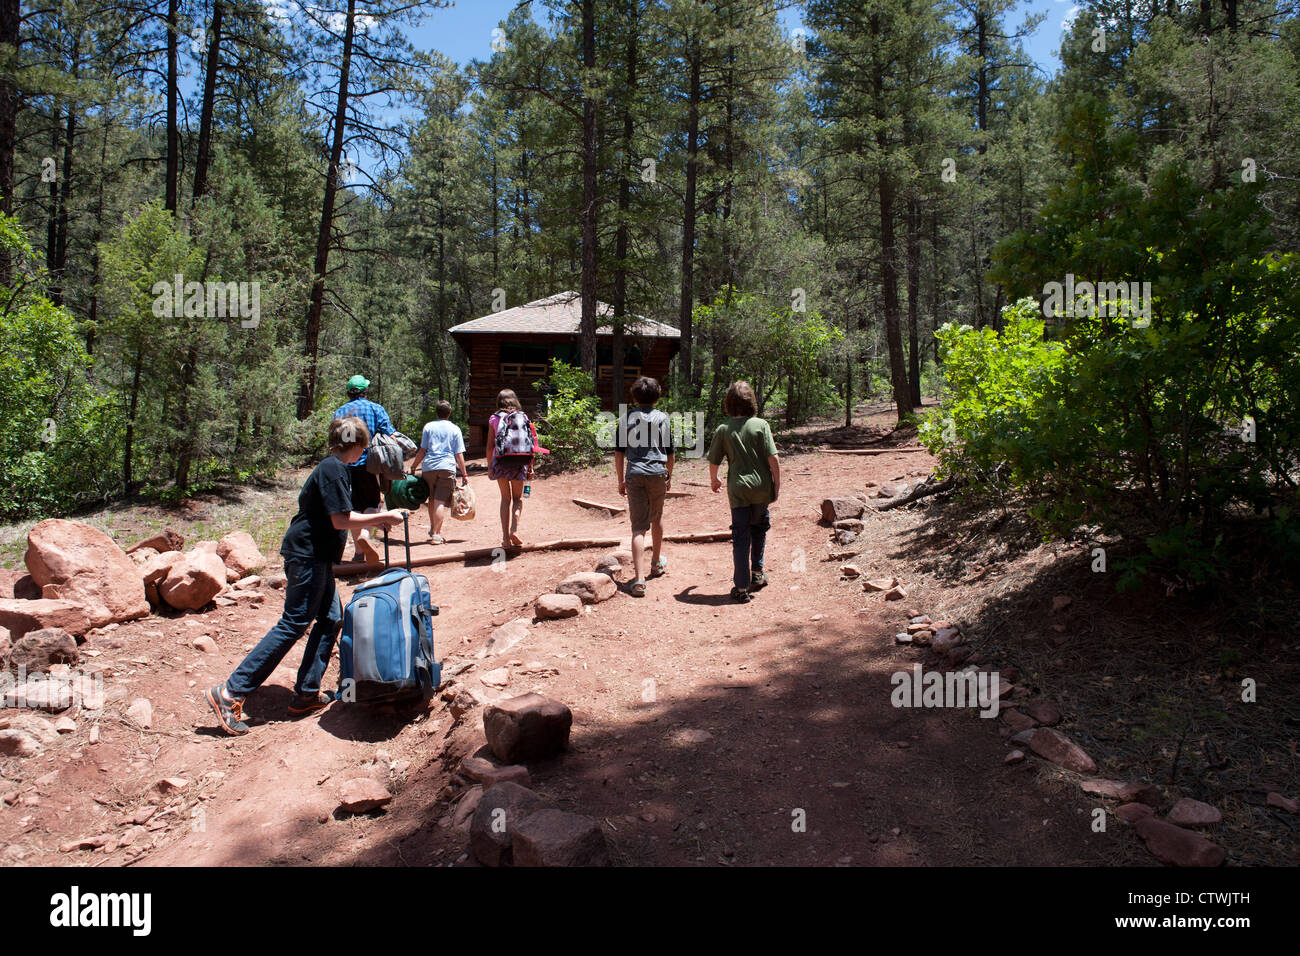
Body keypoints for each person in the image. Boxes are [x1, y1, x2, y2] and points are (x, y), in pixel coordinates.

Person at [204, 416, 406, 736]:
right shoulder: (333, 468)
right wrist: (384, 515)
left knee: (330, 618)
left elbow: (338, 517)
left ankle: (306, 693)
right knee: (294, 622)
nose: (363, 453)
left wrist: (373, 518)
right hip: (307, 556)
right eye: (362, 448)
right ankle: (230, 692)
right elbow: (340, 520)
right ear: (353, 445)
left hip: (318, 558)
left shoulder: (336, 469)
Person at [707, 381, 781, 603]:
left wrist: (714, 480)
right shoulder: (761, 425)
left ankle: (741, 587)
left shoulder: (723, 429)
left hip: (738, 491)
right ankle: (757, 573)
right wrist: (776, 485)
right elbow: (773, 458)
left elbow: (713, 460)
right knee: (759, 529)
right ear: (751, 403)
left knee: (741, 537)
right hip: (761, 488)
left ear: (728, 404)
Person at [614, 376, 674, 597]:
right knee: (656, 518)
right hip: (658, 472)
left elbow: (619, 452)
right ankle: (656, 563)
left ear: (634, 397)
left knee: (638, 528)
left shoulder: (626, 418)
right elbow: (670, 453)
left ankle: (639, 580)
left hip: (635, 473)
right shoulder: (663, 418)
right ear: (657, 397)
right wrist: (669, 476)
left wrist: (621, 480)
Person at [333, 374, 394, 563]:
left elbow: (334, 439)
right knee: (372, 503)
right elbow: (389, 434)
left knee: (352, 506)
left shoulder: (339, 412)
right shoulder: (376, 409)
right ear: (366, 391)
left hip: (345, 466)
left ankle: (359, 553)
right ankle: (365, 536)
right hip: (369, 464)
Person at [486, 389, 535, 549]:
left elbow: (489, 446)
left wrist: (490, 467)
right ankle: (514, 529)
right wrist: (531, 467)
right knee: (518, 499)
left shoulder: (494, 418)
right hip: (520, 461)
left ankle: (505, 539)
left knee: (505, 499)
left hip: (500, 461)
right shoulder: (523, 417)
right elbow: (531, 443)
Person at [415, 400, 468, 545]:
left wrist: (414, 466)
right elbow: (458, 454)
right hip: (446, 466)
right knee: (439, 501)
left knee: (432, 499)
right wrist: (464, 473)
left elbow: (423, 450)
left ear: (436, 412)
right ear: (449, 413)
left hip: (429, 467)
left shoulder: (429, 427)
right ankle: (437, 534)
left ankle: (433, 529)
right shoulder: (455, 429)